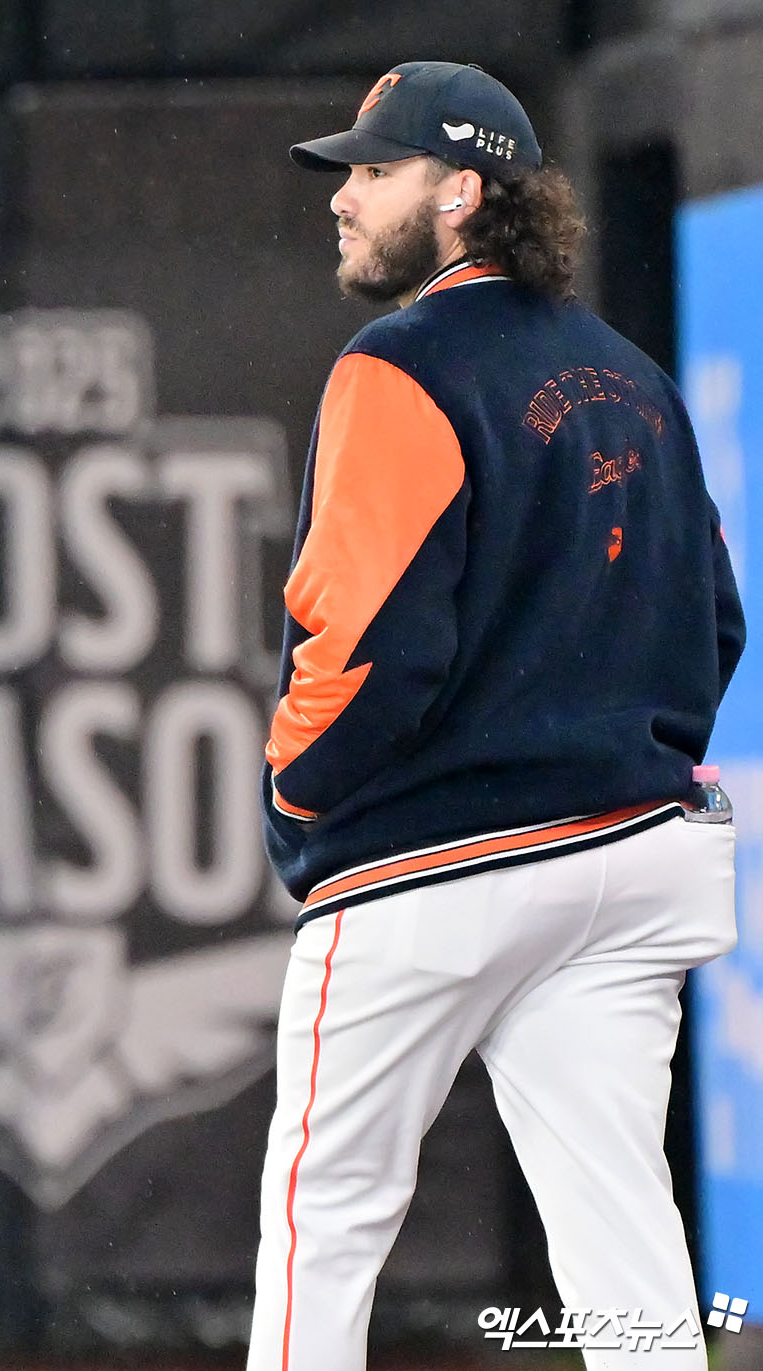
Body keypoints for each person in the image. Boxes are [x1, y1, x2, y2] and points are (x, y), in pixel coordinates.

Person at [247, 60, 746, 1371]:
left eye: (373, 169)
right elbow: (719, 623)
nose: (343, 199)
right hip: (633, 855)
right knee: (624, 1242)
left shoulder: (399, 364)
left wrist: (297, 796)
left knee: (326, 1222)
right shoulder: (630, 373)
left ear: (461, 193)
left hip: (445, 866)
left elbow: (364, 643)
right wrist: (621, 760)